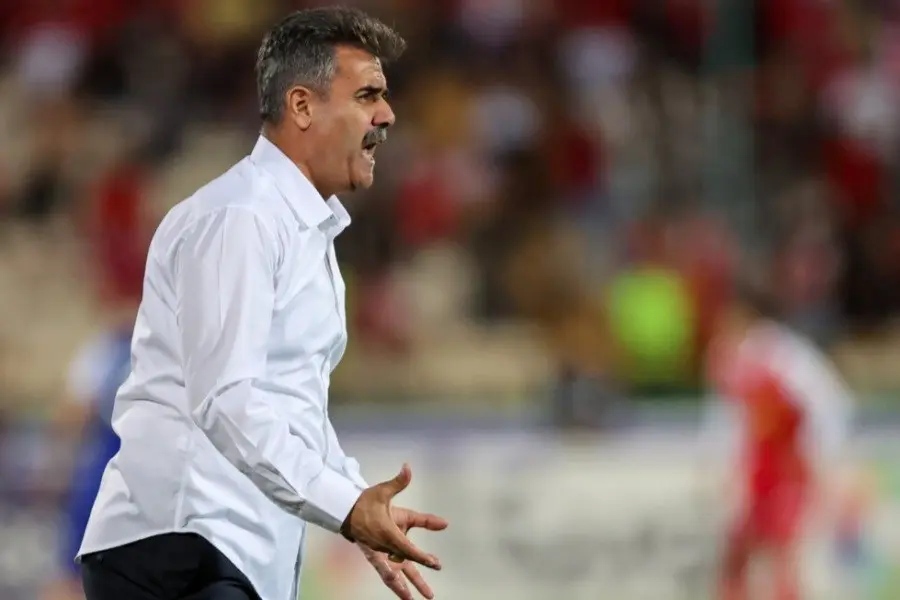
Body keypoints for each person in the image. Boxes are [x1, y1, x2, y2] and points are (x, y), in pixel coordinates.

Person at [76, 8, 447, 600]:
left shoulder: (304, 230)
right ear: (302, 106)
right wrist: (345, 506)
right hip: (183, 547)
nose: (387, 115)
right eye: (367, 95)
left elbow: (292, 407)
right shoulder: (240, 218)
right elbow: (227, 399)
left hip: (225, 554)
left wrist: (356, 502)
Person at [704, 283, 854, 600]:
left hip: (786, 470)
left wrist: (821, 457)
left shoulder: (784, 356)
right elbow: (730, 421)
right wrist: (727, 467)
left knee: (780, 553)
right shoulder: (736, 358)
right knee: (741, 553)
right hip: (760, 471)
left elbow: (828, 405)